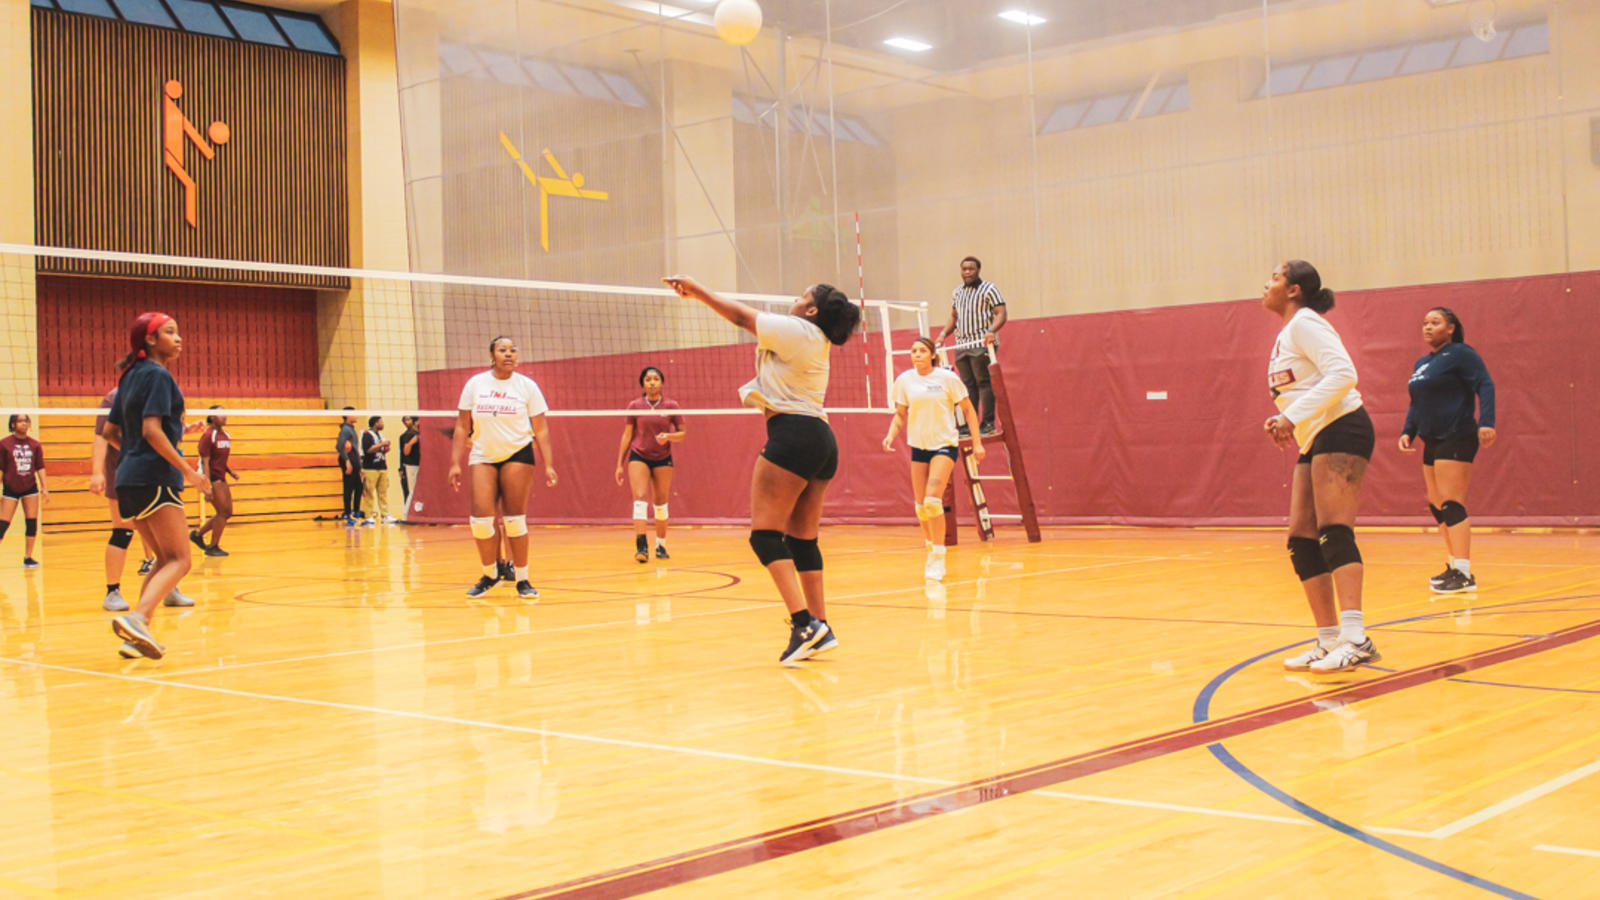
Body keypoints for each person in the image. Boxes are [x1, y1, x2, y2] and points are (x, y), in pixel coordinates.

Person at [662, 274, 861, 664]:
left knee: (764, 536)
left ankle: (804, 624)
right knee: (802, 540)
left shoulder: (799, 330)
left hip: (793, 434)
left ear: (812, 309)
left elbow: (740, 318)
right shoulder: (811, 338)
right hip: (821, 437)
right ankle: (821, 625)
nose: (795, 297)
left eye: (803, 295)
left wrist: (697, 290)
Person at [1262, 261, 1379, 674]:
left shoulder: (1307, 323)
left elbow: (1343, 375)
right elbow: (1305, 387)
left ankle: (1355, 639)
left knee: (1334, 532)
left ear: (1294, 289)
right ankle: (1329, 638)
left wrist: (1292, 416)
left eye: (1274, 278)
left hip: (1343, 427)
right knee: (1302, 538)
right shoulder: (1287, 333)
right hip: (1315, 436)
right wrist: (1286, 419)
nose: (1266, 284)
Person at [101, 312, 213, 660]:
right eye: (170, 332)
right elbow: (152, 431)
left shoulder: (130, 376)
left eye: (178, 331)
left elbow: (110, 433)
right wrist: (188, 471)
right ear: (150, 340)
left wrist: (135, 455)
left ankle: (135, 633)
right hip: (154, 478)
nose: (178, 338)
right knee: (181, 559)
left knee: (162, 560)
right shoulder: (159, 377)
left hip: (127, 479)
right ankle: (136, 618)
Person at [448, 336, 557, 600]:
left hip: (518, 452)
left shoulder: (527, 386)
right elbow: (462, 425)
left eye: (513, 350)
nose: (508, 354)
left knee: (514, 519)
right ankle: (490, 575)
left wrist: (549, 464)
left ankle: (522, 578)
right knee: (481, 521)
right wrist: (454, 463)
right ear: (492, 355)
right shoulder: (475, 384)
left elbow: (541, 429)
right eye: (502, 350)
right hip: (483, 454)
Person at [1399, 307, 1496, 594]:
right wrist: (1408, 431)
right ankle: (1454, 564)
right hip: (1432, 438)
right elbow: (1416, 402)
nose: (1428, 327)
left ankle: (1464, 573)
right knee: (1436, 503)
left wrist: (1487, 422)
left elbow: (1485, 384)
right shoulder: (1423, 363)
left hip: (1458, 435)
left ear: (1451, 327)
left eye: (1435, 322)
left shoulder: (1461, 354)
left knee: (1452, 502)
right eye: (1425, 322)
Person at [882, 337, 985, 581]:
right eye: (913, 351)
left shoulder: (947, 379)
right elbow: (900, 415)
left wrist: (977, 442)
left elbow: (969, 410)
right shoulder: (905, 380)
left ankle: (938, 557)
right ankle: (930, 547)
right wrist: (890, 434)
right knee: (920, 507)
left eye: (921, 351)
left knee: (931, 501)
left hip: (944, 445)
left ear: (932, 355)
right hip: (919, 446)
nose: (916, 354)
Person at [91, 388, 158, 611]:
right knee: (123, 530)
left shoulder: (157, 390)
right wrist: (97, 472)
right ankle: (112, 592)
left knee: (162, 533)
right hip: (123, 472)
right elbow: (102, 436)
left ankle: (167, 588)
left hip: (153, 472)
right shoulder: (114, 397)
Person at [614, 366, 686, 563]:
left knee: (661, 503)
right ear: (643, 384)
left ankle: (661, 545)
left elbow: (682, 433)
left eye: (655, 379)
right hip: (639, 455)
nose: (652, 382)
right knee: (639, 498)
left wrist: (669, 437)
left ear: (662, 383)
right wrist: (620, 464)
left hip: (663, 457)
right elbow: (627, 434)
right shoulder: (635, 405)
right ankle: (641, 546)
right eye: (648, 379)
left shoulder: (671, 406)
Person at [933, 256, 1007, 437]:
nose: (967, 272)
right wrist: (943, 335)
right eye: (964, 269)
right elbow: (954, 317)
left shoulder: (989, 289)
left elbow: (1001, 313)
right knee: (966, 386)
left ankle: (988, 423)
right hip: (962, 345)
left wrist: (991, 330)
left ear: (978, 270)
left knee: (983, 382)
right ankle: (969, 425)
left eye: (971, 269)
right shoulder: (957, 292)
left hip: (981, 343)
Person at [191, 406, 241, 556]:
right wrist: (207, 487)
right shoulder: (208, 436)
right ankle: (212, 546)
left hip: (221, 476)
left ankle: (198, 535)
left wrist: (230, 472)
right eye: (220, 414)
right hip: (211, 477)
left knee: (227, 512)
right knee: (222, 513)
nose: (224, 416)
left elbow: (220, 459)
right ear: (212, 417)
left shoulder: (225, 435)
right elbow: (206, 462)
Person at [0, 413, 48, 569]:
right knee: (3, 524)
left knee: (31, 523)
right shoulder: (4, 444)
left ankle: (28, 557)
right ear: (13, 424)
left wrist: (45, 488)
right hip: (10, 488)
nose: (24, 424)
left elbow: (40, 467)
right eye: (20, 421)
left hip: (30, 488)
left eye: (26, 421)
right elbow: (1, 468)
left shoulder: (35, 445)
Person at [361, 416, 395, 524]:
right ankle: (369, 515)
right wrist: (382, 444)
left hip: (382, 467)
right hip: (370, 468)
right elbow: (368, 450)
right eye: (381, 422)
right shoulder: (367, 435)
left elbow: (381, 450)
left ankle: (385, 515)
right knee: (369, 493)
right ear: (375, 423)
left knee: (383, 493)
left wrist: (385, 449)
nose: (383, 424)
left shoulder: (381, 435)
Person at [336, 407, 365, 524]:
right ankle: (348, 516)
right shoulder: (345, 430)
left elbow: (355, 449)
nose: (356, 415)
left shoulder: (351, 429)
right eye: (354, 413)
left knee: (358, 488)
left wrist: (360, 467)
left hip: (354, 461)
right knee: (348, 489)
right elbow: (339, 446)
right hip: (348, 461)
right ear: (348, 415)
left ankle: (356, 514)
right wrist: (347, 461)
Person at [399, 415, 421, 511]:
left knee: (418, 491)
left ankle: (416, 512)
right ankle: (408, 513)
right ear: (416, 422)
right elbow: (405, 452)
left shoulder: (420, 434)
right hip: (412, 466)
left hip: (418, 466)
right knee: (412, 491)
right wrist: (412, 442)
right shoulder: (409, 435)